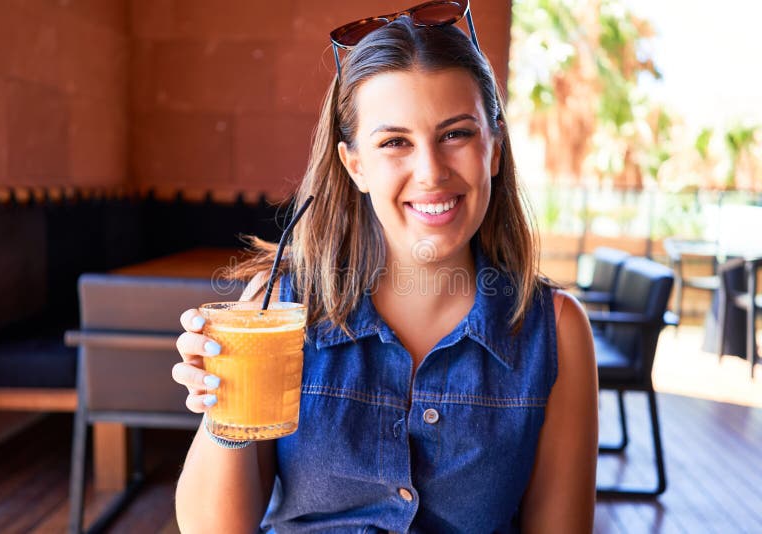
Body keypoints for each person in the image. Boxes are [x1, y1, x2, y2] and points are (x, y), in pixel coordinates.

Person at [172, 2, 598, 532]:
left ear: (494, 148)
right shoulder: (276, 304)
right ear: (355, 165)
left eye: (456, 134)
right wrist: (225, 413)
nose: (431, 172)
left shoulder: (554, 331)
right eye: (395, 142)